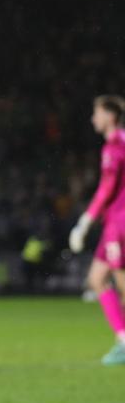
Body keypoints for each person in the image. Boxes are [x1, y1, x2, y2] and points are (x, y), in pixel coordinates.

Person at [69, 95, 125, 365]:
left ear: (110, 116)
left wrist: (85, 221)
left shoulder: (114, 148)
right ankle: (123, 339)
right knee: (97, 278)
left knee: (122, 283)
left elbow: (107, 188)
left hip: (120, 220)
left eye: (97, 113)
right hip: (115, 221)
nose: (93, 119)